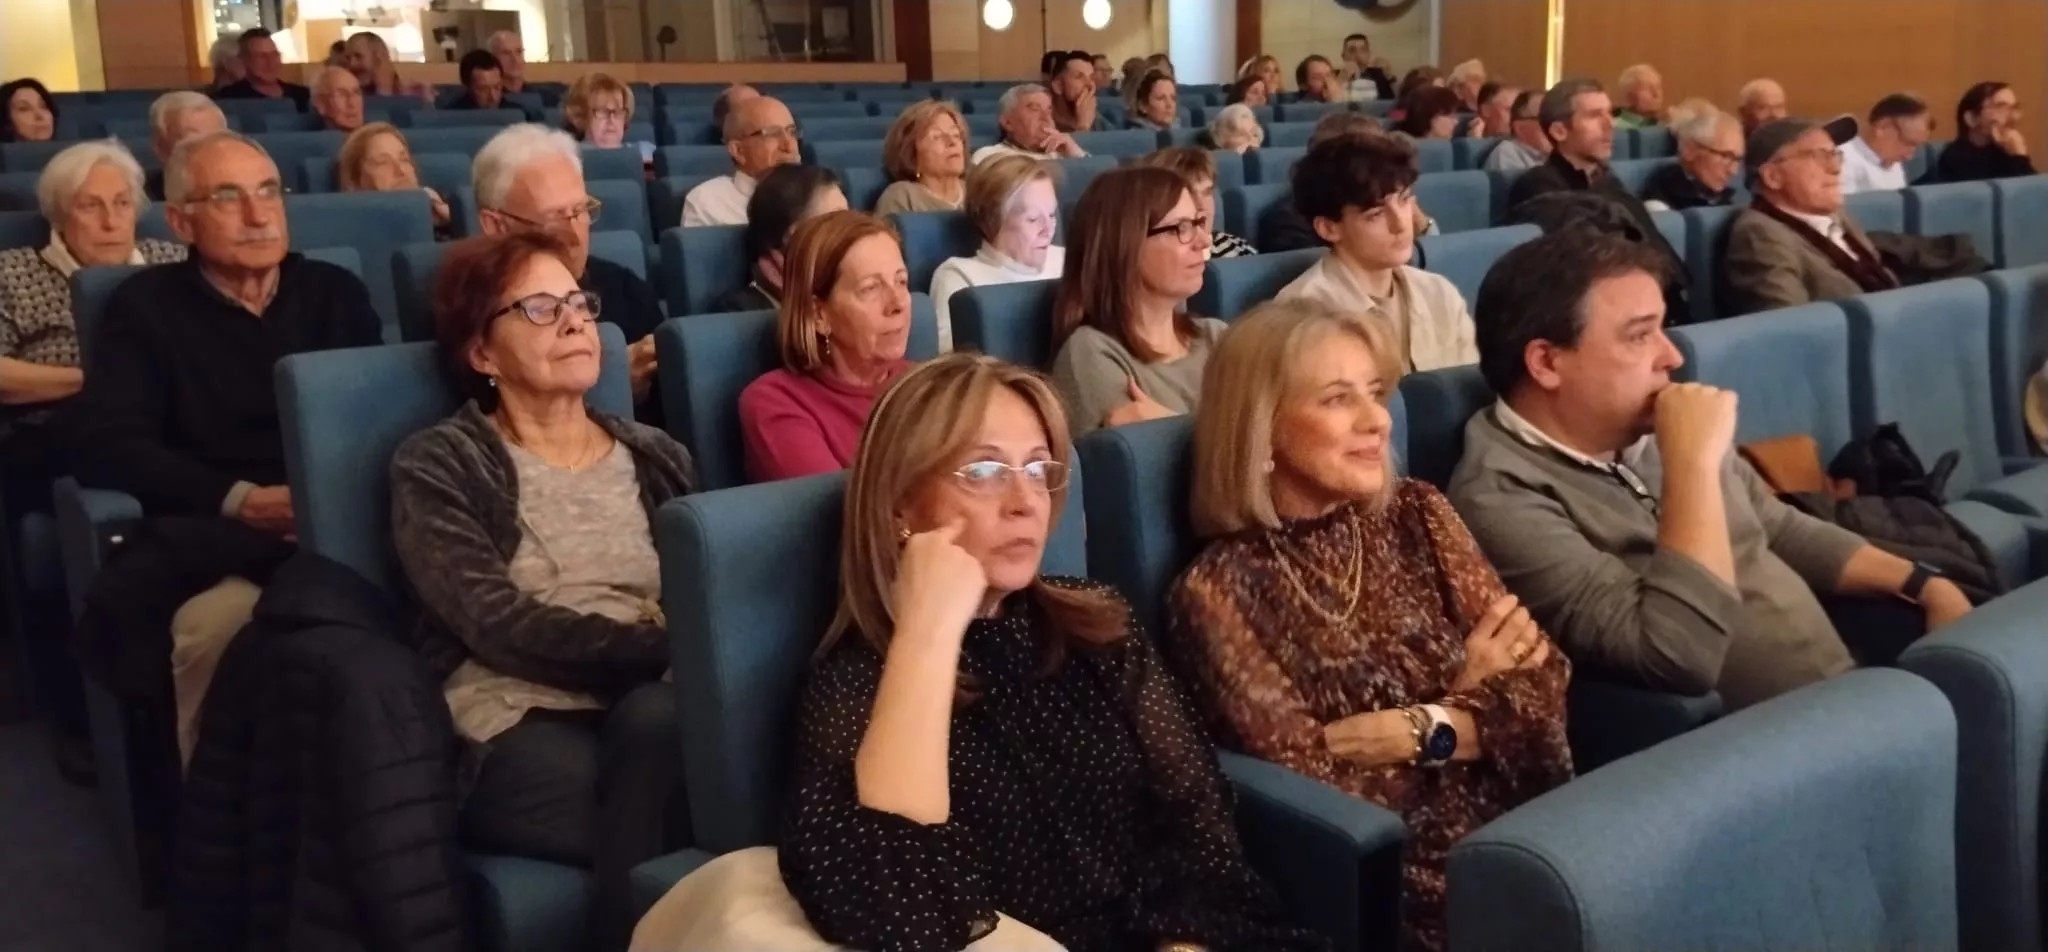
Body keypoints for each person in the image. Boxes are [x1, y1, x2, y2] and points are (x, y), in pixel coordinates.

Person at [763, 351, 1328, 952]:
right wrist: (927, 631)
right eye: (983, 472)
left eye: (1037, 470)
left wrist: (1182, 942)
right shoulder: (856, 682)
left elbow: (1200, 823)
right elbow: (904, 914)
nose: (1024, 501)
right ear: (899, 501)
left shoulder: (1098, 623)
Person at [1170, 298, 1571, 952]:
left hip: (1538, 820)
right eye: (1335, 399)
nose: (1376, 419)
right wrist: (1474, 693)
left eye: (1376, 391)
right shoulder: (1217, 590)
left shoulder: (1419, 512)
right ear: (1261, 430)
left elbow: (1545, 679)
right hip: (1414, 884)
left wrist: (1423, 727)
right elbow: (1320, 798)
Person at [1447, 228, 1973, 711]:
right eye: (1638, 336)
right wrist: (1691, 465)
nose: (1672, 356)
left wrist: (1927, 585)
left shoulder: (1648, 426)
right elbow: (1676, 654)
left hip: (1847, 693)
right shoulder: (1500, 498)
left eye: (1664, 330)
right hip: (1753, 754)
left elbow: (1777, 526)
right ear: (1546, 363)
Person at [389, 230, 695, 951]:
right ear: (481, 353)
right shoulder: (441, 463)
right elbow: (494, 623)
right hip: (516, 722)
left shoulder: (658, 454)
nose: (574, 320)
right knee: (699, 781)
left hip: (656, 704)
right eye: (537, 307)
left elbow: (704, 590)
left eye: (579, 303)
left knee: (663, 728)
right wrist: (664, 652)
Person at [67, 130, 382, 762]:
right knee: (216, 633)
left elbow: (378, 418)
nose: (259, 214)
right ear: (182, 221)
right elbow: (111, 442)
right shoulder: (145, 308)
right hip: (224, 534)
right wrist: (241, 500)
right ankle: (219, 833)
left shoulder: (334, 293)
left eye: (269, 191)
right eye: (229, 196)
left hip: (346, 529)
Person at [0, 140, 187, 508]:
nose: (111, 221)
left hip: (173, 421)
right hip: (56, 432)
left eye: (122, 203)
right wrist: (100, 380)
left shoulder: (171, 260)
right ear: (58, 215)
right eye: (90, 206)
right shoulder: (10, 272)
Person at [476, 124, 665, 409]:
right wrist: (612, 384)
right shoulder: (472, 307)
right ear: (496, 225)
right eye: (553, 219)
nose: (576, 236)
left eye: (580, 211)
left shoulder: (625, 288)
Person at [736, 211, 914, 483]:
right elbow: (845, 519)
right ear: (818, 315)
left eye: (901, 281)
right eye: (870, 288)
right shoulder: (774, 403)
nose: (898, 304)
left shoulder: (928, 385)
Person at [1278, 133, 1473, 372]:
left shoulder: (1439, 292)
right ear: (1329, 228)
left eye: (1403, 201)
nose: (1401, 224)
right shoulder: (1302, 314)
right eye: (1376, 214)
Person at [1049, 167, 1219, 438]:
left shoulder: (1217, 335)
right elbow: (1149, 474)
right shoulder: (1091, 353)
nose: (1204, 240)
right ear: (1125, 245)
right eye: (1181, 228)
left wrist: (1173, 426)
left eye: (1198, 222)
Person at [1507, 79, 1686, 305]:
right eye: (1594, 115)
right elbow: (1580, 272)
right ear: (1560, 131)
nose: (1610, 124)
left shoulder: (1609, 182)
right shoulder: (1537, 186)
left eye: (1609, 113)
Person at [1721, 117, 1897, 316]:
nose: (1836, 168)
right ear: (1773, 176)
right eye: (1819, 156)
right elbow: (1794, 329)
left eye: (1834, 155)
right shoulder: (1759, 234)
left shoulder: (1838, 217)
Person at [928, 155, 1063, 351]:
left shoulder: (1069, 261)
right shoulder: (959, 279)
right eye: (1033, 219)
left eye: (1052, 215)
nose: (1048, 230)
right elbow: (954, 367)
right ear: (993, 220)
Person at [713, 164, 848, 313]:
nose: (850, 231)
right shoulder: (739, 311)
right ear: (795, 235)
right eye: (837, 221)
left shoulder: (850, 290)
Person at [680, 95, 799, 226]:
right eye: (772, 134)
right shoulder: (707, 203)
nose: (789, 146)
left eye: (792, 132)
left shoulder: (816, 192)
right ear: (738, 150)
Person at [1136, 146, 1257, 258]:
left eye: (1207, 193)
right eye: (1189, 195)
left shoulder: (1236, 246)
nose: (1202, 206)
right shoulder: (1153, 260)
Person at [338, 123, 453, 233]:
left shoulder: (445, 222)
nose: (401, 171)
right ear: (354, 183)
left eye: (404, 160)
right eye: (383, 162)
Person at [1640, 99, 1742, 211]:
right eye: (1725, 156)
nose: (1733, 171)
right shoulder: (1660, 202)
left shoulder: (1721, 198)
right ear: (1689, 150)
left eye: (1737, 159)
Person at [873, 99, 968, 215]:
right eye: (936, 137)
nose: (952, 142)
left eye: (956, 134)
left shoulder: (978, 191)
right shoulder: (902, 197)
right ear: (911, 152)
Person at [1938, 82, 2036, 182]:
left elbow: (2035, 192)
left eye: (2015, 108)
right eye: (2000, 107)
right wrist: (2018, 158)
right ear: (1971, 118)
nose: (2013, 117)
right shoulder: (1954, 158)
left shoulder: (2007, 151)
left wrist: (2019, 155)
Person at [970, 84, 1088, 164]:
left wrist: (1076, 154)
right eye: (1035, 109)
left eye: (1049, 110)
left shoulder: (1064, 153)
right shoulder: (989, 157)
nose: (1046, 118)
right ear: (1007, 123)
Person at [1840, 93, 1931, 194]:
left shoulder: (1893, 161)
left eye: (1916, 147)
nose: (1909, 157)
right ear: (1883, 127)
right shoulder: (1840, 161)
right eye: (1907, 143)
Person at [145, 92, 227, 201]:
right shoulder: (139, 199)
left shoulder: (247, 187)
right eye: (192, 140)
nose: (206, 148)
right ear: (160, 147)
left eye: (215, 138)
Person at [563, 71, 654, 164]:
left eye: (617, 111)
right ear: (581, 117)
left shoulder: (647, 153)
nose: (611, 119)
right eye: (602, 111)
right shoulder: (568, 158)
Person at [211, 30, 311, 112]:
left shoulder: (302, 95)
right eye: (261, 57)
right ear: (243, 59)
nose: (270, 62)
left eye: (274, 55)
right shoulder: (228, 97)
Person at [344, 32, 433, 101]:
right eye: (347, 58)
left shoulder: (417, 94)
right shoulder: (347, 98)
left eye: (358, 56)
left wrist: (383, 85)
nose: (352, 64)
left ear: (380, 57)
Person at [1484, 89, 1551, 171]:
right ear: (1519, 127)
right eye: (1543, 119)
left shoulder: (1558, 155)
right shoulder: (1507, 154)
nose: (1551, 126)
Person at [1048, 50, 1111, 133]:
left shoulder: (1099, 122)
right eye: (1079, 77)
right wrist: (1083, 127)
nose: (1089, 84)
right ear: (1058, 86)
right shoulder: (1045, 123)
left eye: (1091, 78)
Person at [1338, 34, 1396, 101]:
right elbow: (1328, 105)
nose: (1358, 55)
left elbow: (1395, 103)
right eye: (1352, 50)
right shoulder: (1333, 77)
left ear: (1368, 54)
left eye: (1363, 50)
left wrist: (1389, 75)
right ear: (1343, 56)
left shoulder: (1378, 75)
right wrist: (1341, 80)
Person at [310, 66, 366, 133]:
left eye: (356, 93)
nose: (352, 103)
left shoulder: (377, 134)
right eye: (342, 95)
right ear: (320, 104)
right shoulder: (314, 141)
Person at [1395, 86, 1464, 139]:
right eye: (1451, 116)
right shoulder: (1405, 152)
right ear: (1431, 118)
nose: (1456, 122)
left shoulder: (1452, 148)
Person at [1613, 64, 1666, 128]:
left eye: (1658, 87)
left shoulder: (1665, 126)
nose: (1656, 94)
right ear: (1630, 97)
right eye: (1649, 89)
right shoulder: (1615, 129)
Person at [487, 29, 530, 95]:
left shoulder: (543, 97)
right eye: (506, 53)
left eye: (518, 52)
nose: (515, 59)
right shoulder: (490, 99)